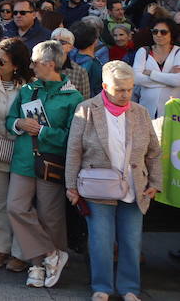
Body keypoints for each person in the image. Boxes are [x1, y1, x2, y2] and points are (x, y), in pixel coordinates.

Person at [65, 61, 163, 301]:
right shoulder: (86, 109)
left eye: (129, 89)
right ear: (104, 85)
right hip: (97, 186)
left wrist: (155, 183)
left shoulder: (140, 112)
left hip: (134, 186)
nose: (125, 94)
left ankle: (130, 288)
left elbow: (154, 151)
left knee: (131, 241)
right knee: (101, 240)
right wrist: (71, 185)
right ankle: (102, 288)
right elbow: (74, 149)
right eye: (119, 89)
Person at [5, 39, 84, 289]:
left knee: (51, 217)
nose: (31, 66)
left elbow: (73, 138)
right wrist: (18, 124)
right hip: (23, 160)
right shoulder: (28, 90)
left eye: (35, 62)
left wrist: (42, 131)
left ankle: (40, 266)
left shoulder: (73, 97)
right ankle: (49, 255)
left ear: (50, 64)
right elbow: (10, 119)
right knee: (15, 207)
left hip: (52, 161)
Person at [0, 37, 32, 271]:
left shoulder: (29, 87)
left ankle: (20, 251)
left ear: (16, 65)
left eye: (2, 61)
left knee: (20, 203)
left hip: (21, 149)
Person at [130, 16, 180, 118]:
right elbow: (136, 79)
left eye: (163, 32)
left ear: (172, 34)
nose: (158, 35)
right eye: (155, 31)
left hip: (172, 113)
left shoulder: (178, 52)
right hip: (146, 110)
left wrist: (151, 73)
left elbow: (177, 81)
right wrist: (168, 78)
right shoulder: (143, 51)